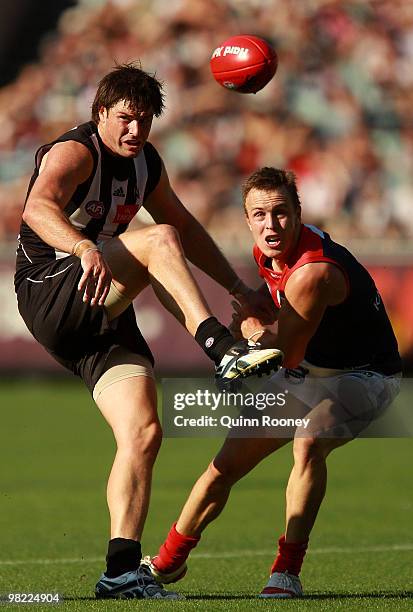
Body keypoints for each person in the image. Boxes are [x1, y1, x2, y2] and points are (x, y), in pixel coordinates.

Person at [13, 67, 283, 600]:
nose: (135, 131)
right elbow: (37, 208)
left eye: (144, 120)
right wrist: (83, 247)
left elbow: (184, 227)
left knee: (143, 433)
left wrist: (238, 289)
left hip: (101, 312)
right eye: (125, 119)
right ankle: (221, 350)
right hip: (52, 290)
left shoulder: (146, 163)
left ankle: (119, 572)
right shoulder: (74, 152)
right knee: (156, 240)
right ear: (100, 114)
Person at [144, 167, 402, 598]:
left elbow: (288, 352)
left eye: (280, 213)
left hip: (366, 374)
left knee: (309, 439)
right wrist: (261, 321)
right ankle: (166, 563)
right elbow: (286, 331)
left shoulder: (313, 270)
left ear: (298, 214)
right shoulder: (268, 250)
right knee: (225, 465)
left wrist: (249, 331)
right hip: (309, 370)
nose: (270, 225)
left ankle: (287, 571)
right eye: (259, 214)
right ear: (247, 219)